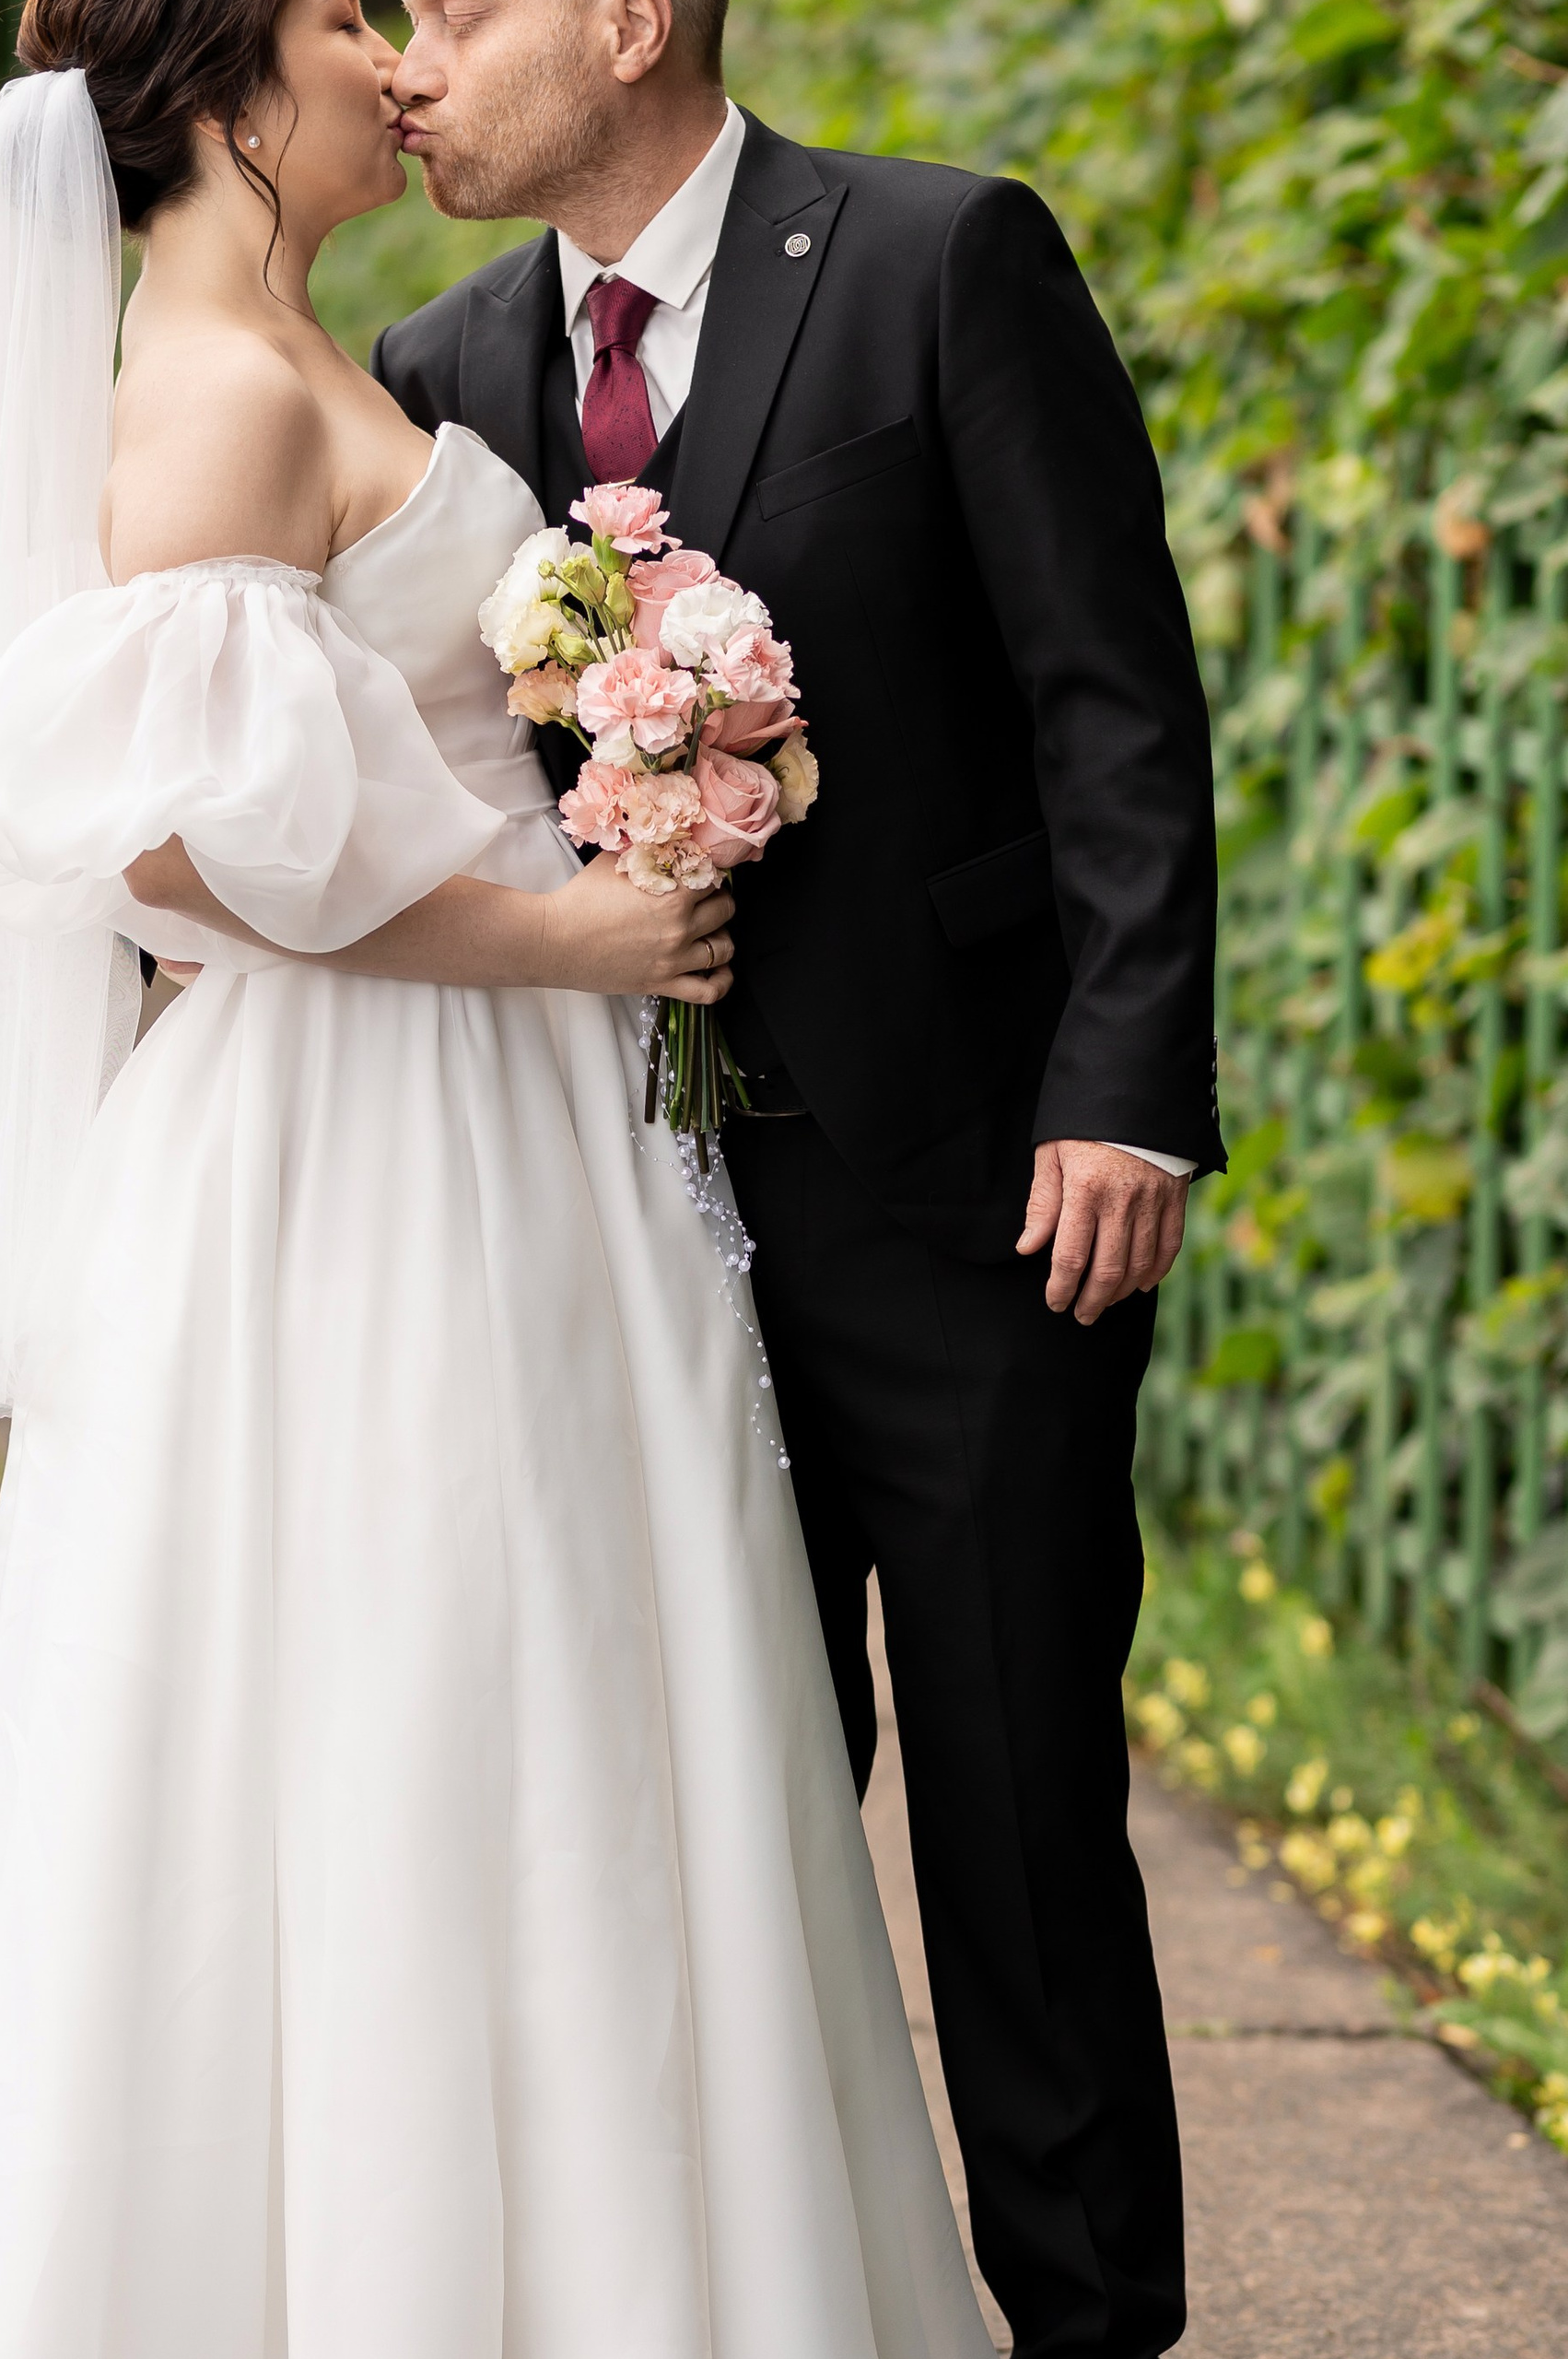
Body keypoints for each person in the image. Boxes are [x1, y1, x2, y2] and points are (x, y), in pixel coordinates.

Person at [0, 3, 1000, 2353]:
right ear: (239, 81)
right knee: (413, 1689)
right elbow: (165, 837)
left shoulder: (289, 347)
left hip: (491, 1121)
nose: (397, 53)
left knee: (542, 1688)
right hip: (365, 1148)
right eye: (353, 16)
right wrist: (566, 928)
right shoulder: (226, 385)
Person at [372, 4, 1223, 2354]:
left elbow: (1109, 707)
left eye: (453, 9)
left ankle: (1084, 2324)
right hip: (614, 1223)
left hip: (969, 1201)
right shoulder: (430, 364)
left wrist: (1123, 1086)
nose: (405, 60)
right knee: (683, 1833)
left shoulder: (937, 262)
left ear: (628, 17)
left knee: (1015, 1818)